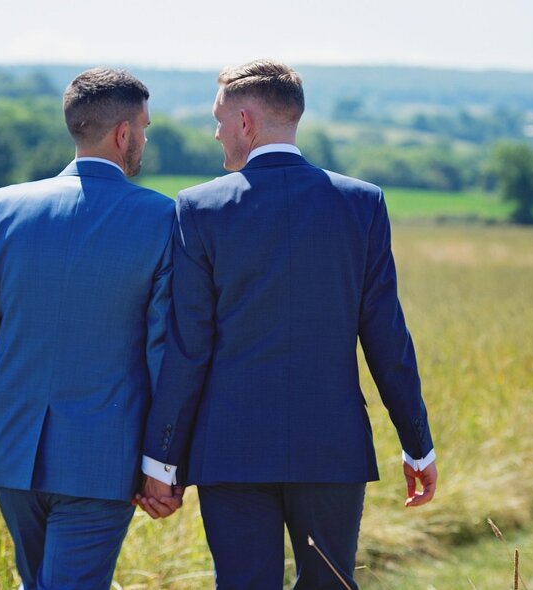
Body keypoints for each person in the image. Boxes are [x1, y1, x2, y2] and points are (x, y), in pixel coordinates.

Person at [137, 60, 438, 589]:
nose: (216, 132)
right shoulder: (361, 203)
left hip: (229, 448)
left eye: (219, 119)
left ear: (246, 122)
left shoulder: (198, 208)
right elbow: (387, 338)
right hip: (331, 446)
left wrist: (162, 460)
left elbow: (188, 347)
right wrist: (417, 444)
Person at [0, 67, 180, 590]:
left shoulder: (2, 207)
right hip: (103, 461)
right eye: (143, 127)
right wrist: (163, 464)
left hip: (10, 453)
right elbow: (164, 349)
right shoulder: (163, 217)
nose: (143, 137)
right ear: (124, 134)